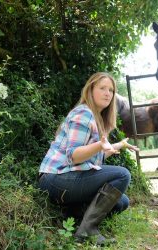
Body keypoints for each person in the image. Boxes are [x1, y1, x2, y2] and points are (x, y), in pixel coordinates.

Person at [38, 72, 139, 245]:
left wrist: (118, 146)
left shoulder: (96, 117)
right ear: (90, 90)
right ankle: (87, 230)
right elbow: (74, 156)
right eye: (102, 88)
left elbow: (94, 156)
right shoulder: (83, 114)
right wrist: (100, 145)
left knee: (121, 202)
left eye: (111, 90)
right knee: (122, 175)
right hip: (55, 178)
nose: (108, 93)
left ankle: (72, 212)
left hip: (69, 177)